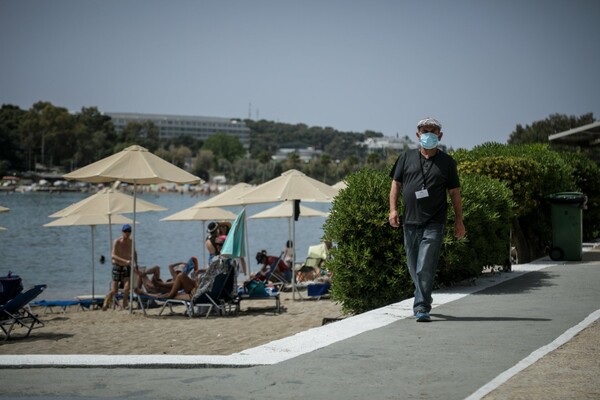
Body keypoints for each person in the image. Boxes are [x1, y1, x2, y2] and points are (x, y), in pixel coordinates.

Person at [389, 117, 466, 322]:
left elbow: (455, 193)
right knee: (413, 266)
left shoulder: (447, 163)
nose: (428, 134)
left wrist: (459, 220)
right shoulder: (406, 158)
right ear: (418, 135)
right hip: (410, 221)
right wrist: (393, 210)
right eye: (424, 130)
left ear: (440, 135)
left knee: (425, 264)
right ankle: (423, 295)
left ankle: (421, 306)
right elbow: (396, 184)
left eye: (433, 130)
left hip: (435, 222)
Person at [102, 223, 138, 311]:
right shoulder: (117, 241)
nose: (127, 233)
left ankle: (125, 303)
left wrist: (136, 264)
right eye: (125, 231)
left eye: (129, 231)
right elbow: (113, 256)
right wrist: (125, 261)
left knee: (127, 287)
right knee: (115, 290)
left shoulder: (131, 242)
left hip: (126, 267)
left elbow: (134, 253)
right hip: (117, 266)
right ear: (122, 232)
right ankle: (107, 300)